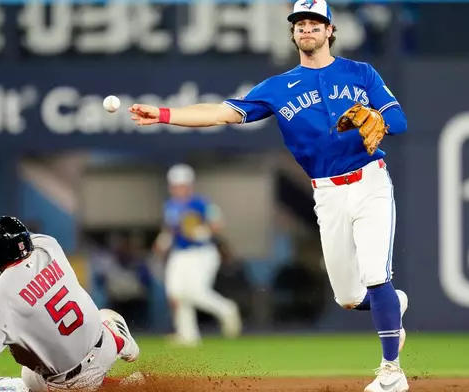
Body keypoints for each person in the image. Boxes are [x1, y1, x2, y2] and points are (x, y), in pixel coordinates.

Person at [129, 0, 409, 390]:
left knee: (376, 274)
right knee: (349, 296)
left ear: (330, 31)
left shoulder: (361, 73)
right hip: (326, 193)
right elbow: (219, 114)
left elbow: (399, 120)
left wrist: (378, 117)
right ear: (293, 33)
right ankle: (391, 307)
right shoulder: (277, 88)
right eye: (300, 23)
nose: (307, 28)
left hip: (370, 182)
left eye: (316, 22)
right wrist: (163, 115)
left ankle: (391, 372)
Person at [0, 211, 140, 392]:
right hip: (104, 346)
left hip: (71, 383)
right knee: (103, 317)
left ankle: (118, 385)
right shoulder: (47, 245)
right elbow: (8, 230)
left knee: (27, 376)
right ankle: (119, 340)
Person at [152, 164, 241, 347]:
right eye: (175, 185)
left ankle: (226, 309)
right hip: (180, 254)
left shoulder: (202, 203)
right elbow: (170, 230)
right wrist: (162, 242)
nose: (178, 189)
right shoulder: (169, 206)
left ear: (189, 185)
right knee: (175, 293)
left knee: (195, 293)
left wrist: (200, 231)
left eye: (181, 185)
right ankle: (187, 335)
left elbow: (217, 224)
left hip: (202, 253)